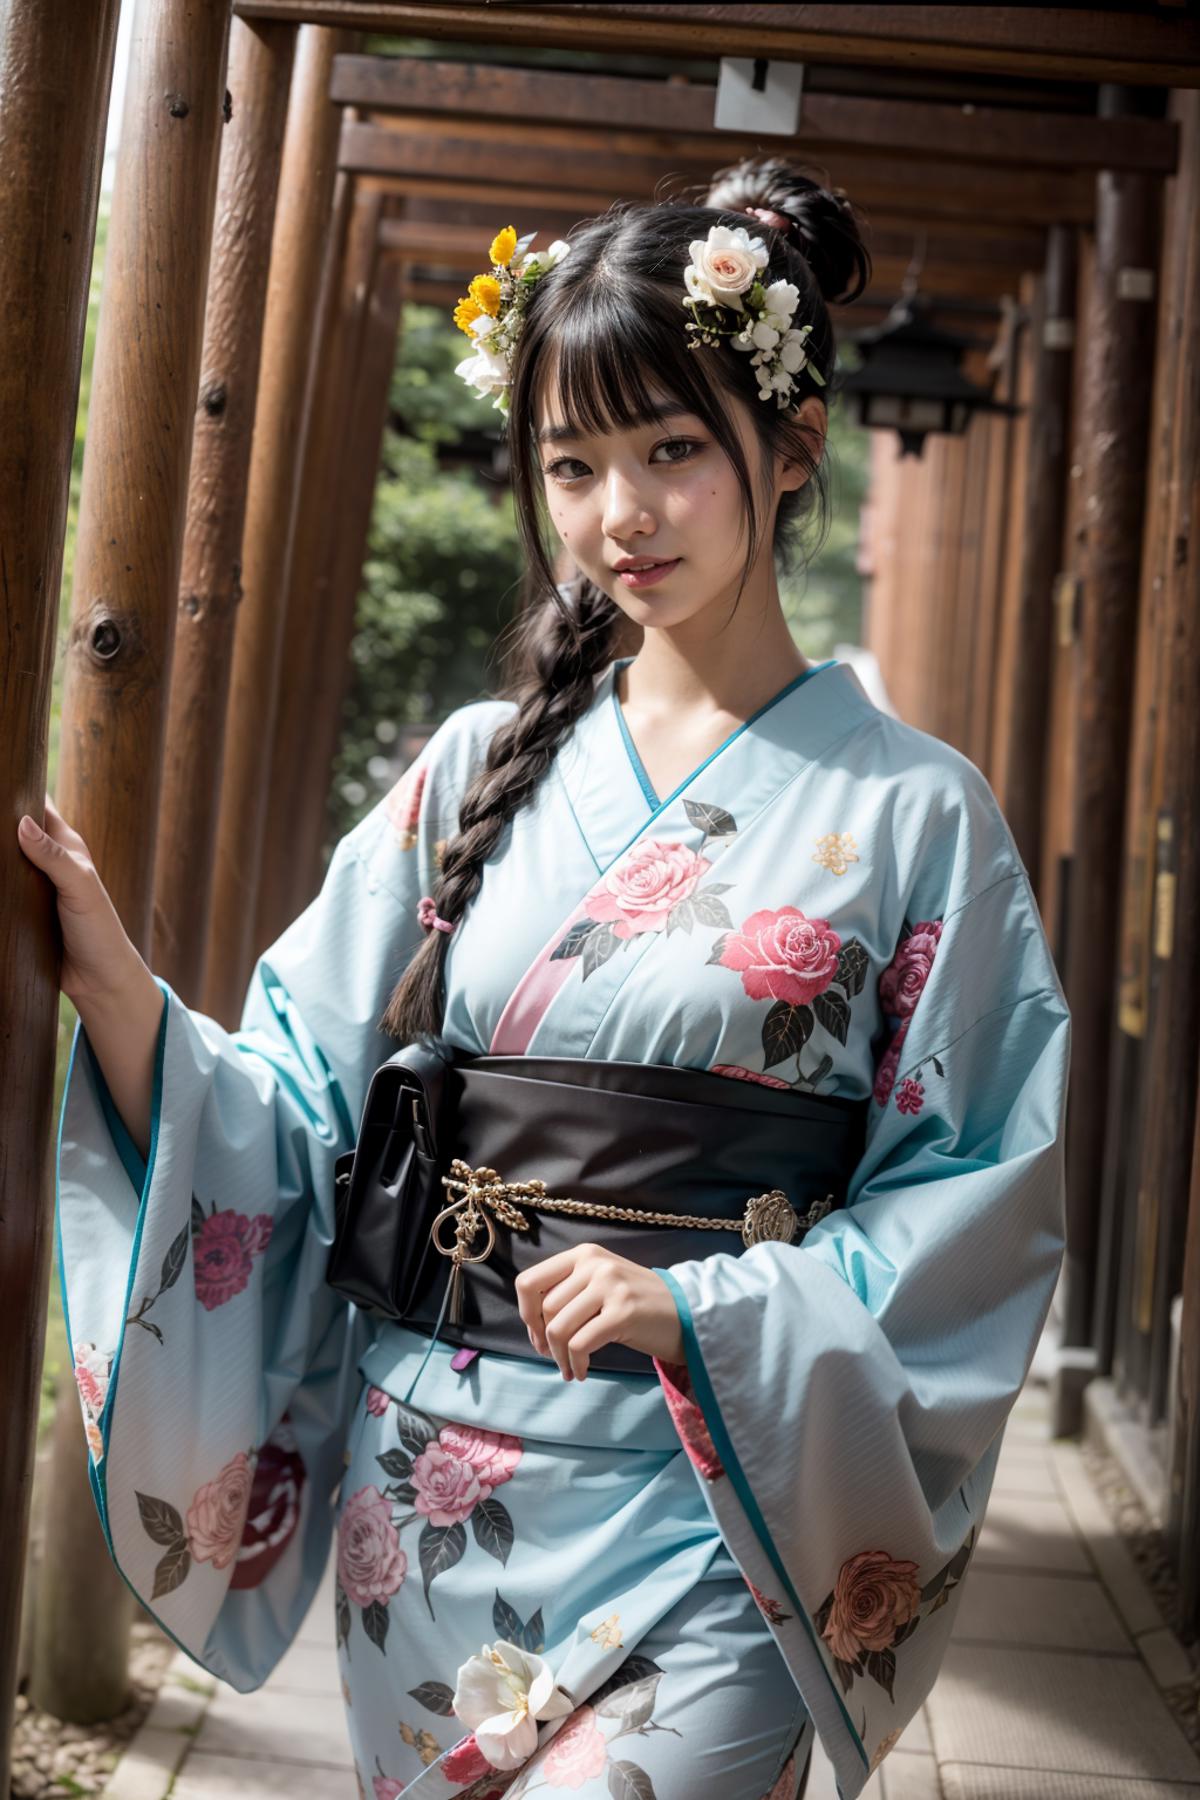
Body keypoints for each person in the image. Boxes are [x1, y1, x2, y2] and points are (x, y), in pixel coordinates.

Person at [21, 157, 1071, 1800]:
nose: (618, 517)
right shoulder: (470, 769)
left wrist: (708, 1308)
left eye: (670, 452)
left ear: (789, 451)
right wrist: (115, 989)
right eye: (572, 465)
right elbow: (301, 1107)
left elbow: (974, 1195)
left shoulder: (915, 811)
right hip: (431, 1487)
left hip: (715, 1495)